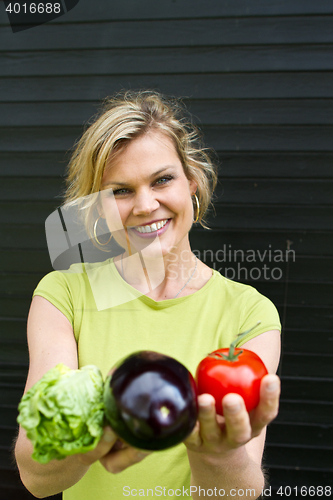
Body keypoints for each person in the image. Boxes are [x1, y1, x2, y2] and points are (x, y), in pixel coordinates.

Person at [14, 90, 281, 500]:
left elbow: (238, 494)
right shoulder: (63, 295)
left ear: (191, 180)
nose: (145, 205)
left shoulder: (249, 314)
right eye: (120, 190)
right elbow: (36, 476)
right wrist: (94, 444)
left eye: (162, 180)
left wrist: (217, 456)